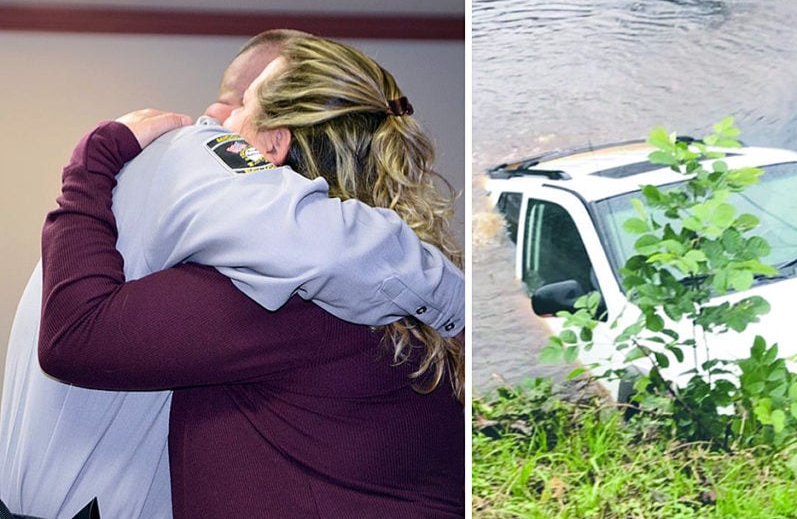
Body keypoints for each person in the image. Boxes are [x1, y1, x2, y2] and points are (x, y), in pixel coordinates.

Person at [0, 30, 464, 518]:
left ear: (272, 147)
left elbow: (75, 334)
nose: (217, 122)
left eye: (241, 104)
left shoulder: (287, 294)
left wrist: (91, 162)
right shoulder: (388, 279)